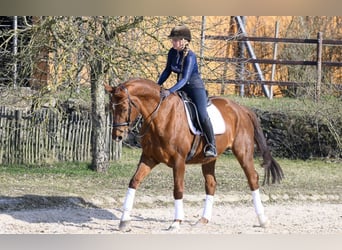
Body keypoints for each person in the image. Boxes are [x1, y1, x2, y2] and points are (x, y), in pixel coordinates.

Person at [157, 24, 217, 158]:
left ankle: (211, 145)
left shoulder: (190, 56)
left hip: (195, 88)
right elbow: (167, 71)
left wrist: (170, 90)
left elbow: (184, 79)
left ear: (184, 41)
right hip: (181, 87)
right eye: (172, 39)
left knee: (202, 114)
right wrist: (157, 85)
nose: (173, 42)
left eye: (176, 39)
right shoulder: (172, 52)